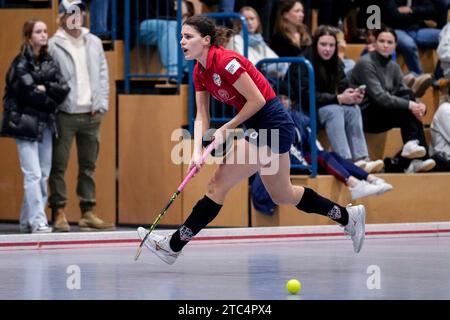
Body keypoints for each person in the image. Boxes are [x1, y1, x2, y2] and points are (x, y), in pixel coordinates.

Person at [137, 15, 366, 265]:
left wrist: (229, 126)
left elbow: (257, 100)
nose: (182, 41)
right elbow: (201, 114)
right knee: (283, 194)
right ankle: (347, 216)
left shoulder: (226, 62)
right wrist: (195, 150)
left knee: (217, 185)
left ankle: (173, 245)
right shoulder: (199, 71)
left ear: (205, 40)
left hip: (272, 124)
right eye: (181, 36)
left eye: (188, 37)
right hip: (261, 127)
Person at [47, 0, 115, 232]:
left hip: (91, 114)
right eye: (71, 13)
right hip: (65, 114)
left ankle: (88, 212)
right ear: (63, 16)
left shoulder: (93, 41)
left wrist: (102, 103)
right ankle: (58, 212)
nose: (76, 16)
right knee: (59, 165)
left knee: (88, 166)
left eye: (80, 12)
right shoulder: (53, 44)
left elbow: (103, 75)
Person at [0, 19, 69, 233]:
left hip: (46, 124)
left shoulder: (49, 60)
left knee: (43, 173)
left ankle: (25, 220)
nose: (43, 35)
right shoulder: (20, 63)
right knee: (33, 174)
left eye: (45, 31)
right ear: (29, 36)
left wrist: (45, 88)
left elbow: (63, 88)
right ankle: (38, 221)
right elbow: (29, 94)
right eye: (38, 31)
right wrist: (47, 95)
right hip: (25, 124)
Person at [287, 25, 384, 173]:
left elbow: (343, 86)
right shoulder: (302, 63)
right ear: (315, 44)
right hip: (305, 110)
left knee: (353, 109)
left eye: (331, 45)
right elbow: (306, 96)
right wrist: (338, 98)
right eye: (323, 44)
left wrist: (353, 95)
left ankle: (361, 159)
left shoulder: (336, 62)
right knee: (334, 110)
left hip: (328, 105)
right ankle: (344, 160)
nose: (328, 49)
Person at [350, 26, 436, 174]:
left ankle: (415, 159)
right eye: (381, 41)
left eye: (389, 42)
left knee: (408, 97)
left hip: (383, 113)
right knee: (407, 104)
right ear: (375, 43)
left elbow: (404, 91)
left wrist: (419, 105)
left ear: (395, 45)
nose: (385, 45)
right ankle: (414, 152)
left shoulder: (394, 66)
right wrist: (411, 104)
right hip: (365, 115)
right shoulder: (366, 63)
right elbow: (379, 97)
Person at [226, 6, 288, 80]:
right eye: (245, 19)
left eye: (252, 19)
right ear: (239, 23)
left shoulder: (259, 40)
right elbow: (247, 65)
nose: (249, 22)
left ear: (258, 21)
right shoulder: (235, 39)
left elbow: (276, 60)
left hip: (267, 77)